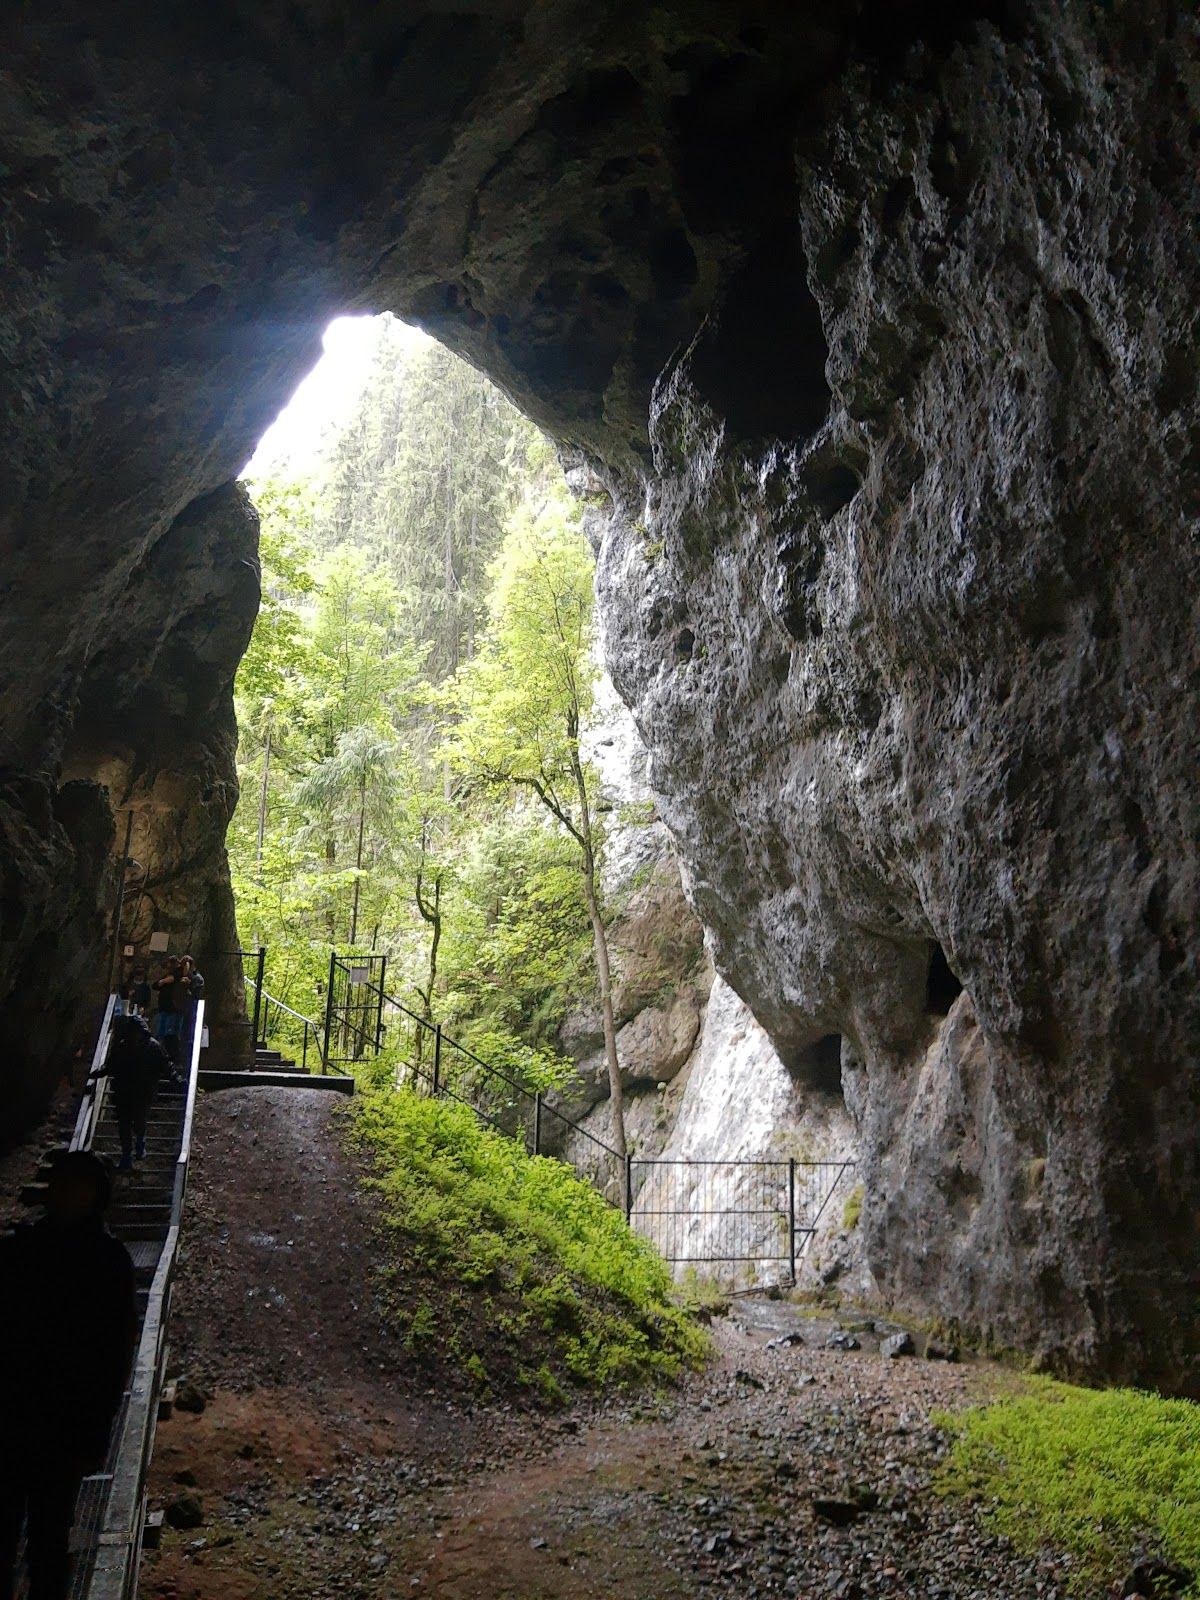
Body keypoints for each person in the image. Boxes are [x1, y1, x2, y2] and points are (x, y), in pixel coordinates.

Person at [0, 1150, 136, 1600]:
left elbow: (114, 1354)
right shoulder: (25, 1250)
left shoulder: (102, 1260)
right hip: (23, 1415)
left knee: (48, 1541)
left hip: (59, 1423)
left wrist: (95, 1433)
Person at [96, 1014, 171, 1169]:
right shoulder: (125, 1046)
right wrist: (98, 1073)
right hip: (125, 1092)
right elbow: (111, 1064)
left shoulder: (152, 1046)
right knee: (125, 1126)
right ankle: (127, 1155)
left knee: (138, 1122)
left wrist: (176, 1079)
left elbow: (165, 1065)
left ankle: (139, 1145)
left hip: (141, 1092)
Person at [152, 957, 181, 1062]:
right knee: (160, 1033)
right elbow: (155, 985)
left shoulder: (178, 975)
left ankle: (170, 1056)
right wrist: (163, 981)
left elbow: (175, 978)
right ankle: (159, 1054)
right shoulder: (166, 976)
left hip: (172, 1009)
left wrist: (165, 981)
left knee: (170, 1034)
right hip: (163, 1009)